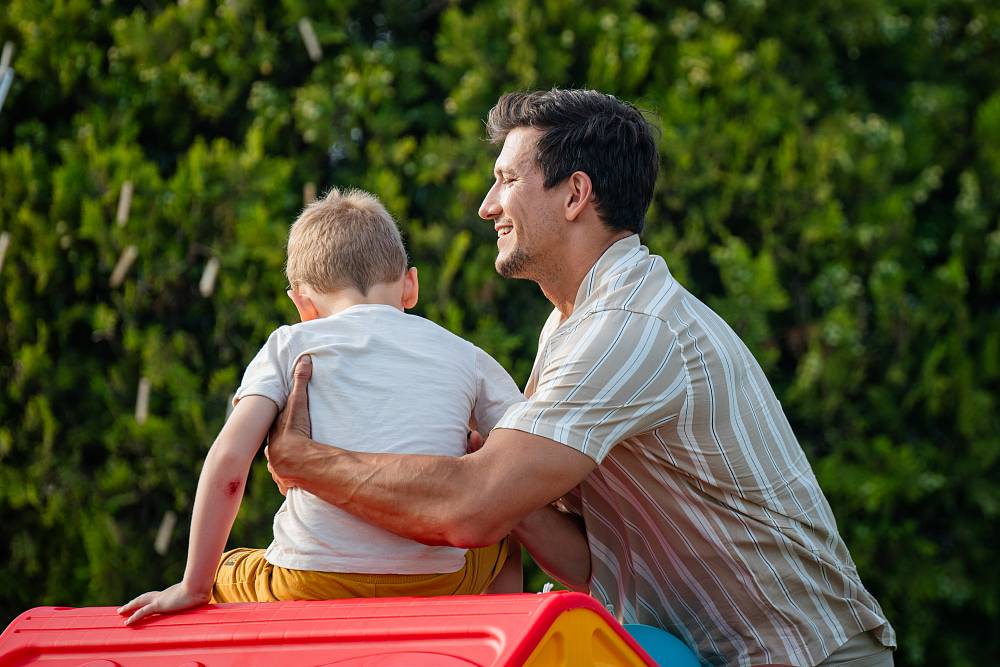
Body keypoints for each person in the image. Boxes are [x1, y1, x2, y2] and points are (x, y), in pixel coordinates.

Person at [264, 89, 897, 666]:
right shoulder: (570, 325)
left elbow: (470, 508)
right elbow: (587, 560)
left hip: (807, 655)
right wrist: (498, 481)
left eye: (507, 180)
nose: (487, 207)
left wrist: (304, 460)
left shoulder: (627, 328)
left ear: (575, 195)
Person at [117, 188, 523, 626]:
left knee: (226, 567)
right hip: (437, 577)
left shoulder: (291, 344)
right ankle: (500, 627)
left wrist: (193, 585)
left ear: (302, 304)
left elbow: (230, 462)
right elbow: (524, 448)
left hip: (308, 578)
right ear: (411, 285)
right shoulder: (465, 354)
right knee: (503, 540)